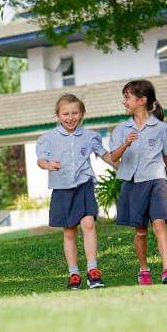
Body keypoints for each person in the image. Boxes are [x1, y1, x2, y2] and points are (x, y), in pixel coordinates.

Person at [36, 94, 117, 290]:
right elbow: (40, 160)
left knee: (88, 224)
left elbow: (105, 155)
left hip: (84, 184)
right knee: (70, 231)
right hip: (62, 188)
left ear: (81, 114)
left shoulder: (90, 136)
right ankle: (74, 274)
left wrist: (122, 167)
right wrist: (48, 164)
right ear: (58, 115)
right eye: (65, 113)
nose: (70, 117)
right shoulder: (48, 138)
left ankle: (92, 270)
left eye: (74, 113)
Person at [110, 80, 167, 285]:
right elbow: (114, 157)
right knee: (140, 231)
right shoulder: (121, 129)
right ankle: (144, 270)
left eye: (127, 97)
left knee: (160, 225)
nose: (124, 101)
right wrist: (126, 143)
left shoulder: (162, 129)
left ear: (142, 101)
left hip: (156, 181)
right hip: (133, 183)